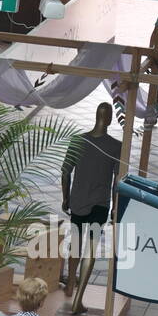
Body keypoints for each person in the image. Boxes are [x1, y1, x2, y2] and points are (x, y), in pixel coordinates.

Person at [60, 103, 122, 301]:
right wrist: (114, 207)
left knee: (76, 243)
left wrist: (66, 198)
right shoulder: (116, 146)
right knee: (91, 247)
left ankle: (70, 284)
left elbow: (65, 171)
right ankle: (79, 297)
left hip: (78, 200)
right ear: (110, 118)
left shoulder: (78, 140)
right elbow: (117, 181)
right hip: (100, 204)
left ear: (96, 116)